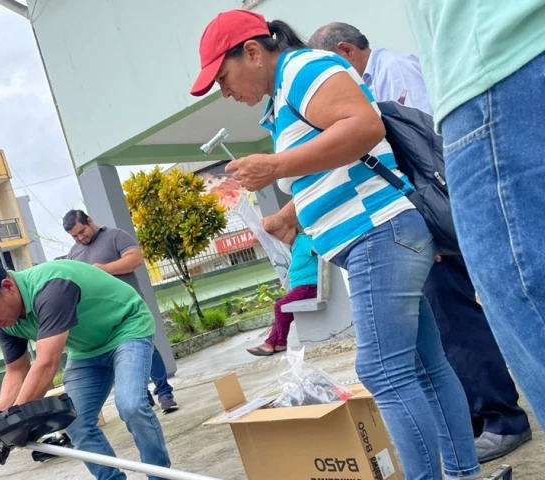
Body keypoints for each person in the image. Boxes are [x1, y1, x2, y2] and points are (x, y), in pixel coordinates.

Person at [190, 10, 481, 479]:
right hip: (378, 236)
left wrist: (277, 166)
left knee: (383, 372)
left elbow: (364, 128)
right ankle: (464, 473)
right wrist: (293, 214)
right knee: (424, 365)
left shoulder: (303, 69)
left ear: (252, 52)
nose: (224, 91)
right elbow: (336, 167)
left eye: (223, 78)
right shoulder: (284, 94)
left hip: (378, 235)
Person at [308, 22, 531, 463]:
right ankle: (471, 424)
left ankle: (502, 418)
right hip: (416, 219)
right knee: (441, 335)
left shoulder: (394, 73)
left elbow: (432, 152)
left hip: (423, 217)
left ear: (347, 52)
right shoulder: (372, 80)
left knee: (457, 322)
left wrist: (438, 223)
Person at [400, 0, 545, 439]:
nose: (227, 88)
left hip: (493, 70)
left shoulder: (389, 73)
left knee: (517, 298)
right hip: (505, 66)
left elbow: (419, 147)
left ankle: (501, 418)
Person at [0, 259, 171, 479]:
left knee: (131, 405)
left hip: (126, 328)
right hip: (85, 350)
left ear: (8, 287)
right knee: (75, 422)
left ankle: (161, 477)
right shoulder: (6, 323)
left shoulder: (52, 288)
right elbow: (16, 372)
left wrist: (12, 422)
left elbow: (47, 364)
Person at [63, 209, 178, 413]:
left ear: (90, 220)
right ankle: (143, 398)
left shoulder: (115, 236)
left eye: (82, 231)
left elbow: (135, 260)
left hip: (130, 310)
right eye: (75, 236)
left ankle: (165, 393)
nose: (80, 238)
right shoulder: (74, 253)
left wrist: (104, 269)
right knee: (120, 358)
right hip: (102, 318)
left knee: (148, 349)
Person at [246, 228, 318, 356]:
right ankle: (272, 344)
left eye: (282, 232)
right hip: (302, 288)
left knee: (280, 306)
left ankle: (279, 343)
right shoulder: (294, 245)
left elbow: (319, 249)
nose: (281, 237)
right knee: (283, 308)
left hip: (310, 287)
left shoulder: (302, 240)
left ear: (291, 229)